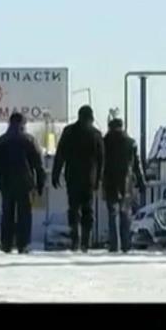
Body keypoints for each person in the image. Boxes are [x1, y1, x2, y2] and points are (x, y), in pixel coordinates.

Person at [0, 112, 45, 254]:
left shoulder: (1, 141)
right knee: (24, 215)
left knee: (7, 214)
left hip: (6, 182)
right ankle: (22, 244)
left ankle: (6, 244)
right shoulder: (29, 140)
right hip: (25, 184)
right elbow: (39, 165)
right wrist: (40, 184)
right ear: (24, 124)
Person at [52, 105, 104, 252]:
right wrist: (99, 179)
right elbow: (101, 159)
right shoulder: (96, 134)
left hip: (72, 176)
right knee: (88, 210)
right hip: (89, 178)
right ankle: (85, 242)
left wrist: (56, 174)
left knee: (73, 209)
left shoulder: (69, 132)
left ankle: (75, 239)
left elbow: (60, 154)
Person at [102, 118, 146, 253]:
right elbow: (137, 165)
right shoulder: (130, 143)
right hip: (126, 183)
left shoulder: (104, 142)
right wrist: (141, 182)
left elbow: (99, 162)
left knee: (112, 214)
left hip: (109, 181)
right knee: (125, 214)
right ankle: (126, 244)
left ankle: (114, 245)